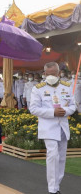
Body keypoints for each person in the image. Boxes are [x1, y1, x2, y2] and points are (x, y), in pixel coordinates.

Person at [30, 62, 76, 194]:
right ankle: (52, 189)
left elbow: (73, 105)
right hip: (48, 127)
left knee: (61, 158)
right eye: (48, 74)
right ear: (44, 74)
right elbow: (33, 108)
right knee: (53, 155)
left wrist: (65, 111)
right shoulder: (38, 88)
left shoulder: (66, 87)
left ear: (58, 73)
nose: (51, 76)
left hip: (62, 127)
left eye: (54, 74)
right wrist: (52, 112)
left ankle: (57, 186)